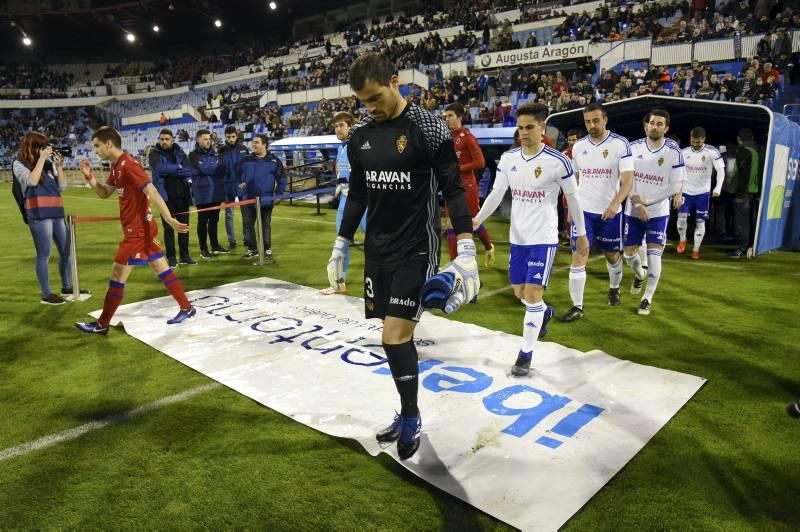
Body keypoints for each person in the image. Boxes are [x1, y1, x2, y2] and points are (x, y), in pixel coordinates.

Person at [325, 53, 479, 460]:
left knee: (393, 335)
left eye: (375, 98)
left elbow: (452, 188)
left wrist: (466, 244)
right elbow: (358, 193)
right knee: (394, 339)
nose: (370, 108)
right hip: (378, 250)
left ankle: (411, 417)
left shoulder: (429, 127)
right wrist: (342, 242)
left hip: (417, 248)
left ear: (395, 81)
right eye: (363, 102)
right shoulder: (360, 135)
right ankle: (407, 410)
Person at [473, 103, 588, 375]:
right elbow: (496, 193)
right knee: (521, 293)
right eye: (520, 128)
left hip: (543, 238)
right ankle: (543, 312)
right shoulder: (509, 158)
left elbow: (573, 198)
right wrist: (478, 218)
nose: (524, 133)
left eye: (529, 128)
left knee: (533, 294)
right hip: (518, 238)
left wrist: (581, 233)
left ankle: (525, 354)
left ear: (542, 128)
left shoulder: (559, 161)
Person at [75, 126, 196, 335]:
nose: (95, 151)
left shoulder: (129, 165)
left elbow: (153, 191)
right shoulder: (116, 166)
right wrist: (90, 178)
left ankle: (102, 324)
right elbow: (105, 193)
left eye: (97, 146)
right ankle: (187, 307)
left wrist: (169, 219)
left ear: (109, 144)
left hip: (137, 232)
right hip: (142, 229)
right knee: (162, 268)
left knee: (117, 274)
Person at [561, 103, 634, 322]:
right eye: (587, 122)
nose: (591, 125)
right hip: (584, 212)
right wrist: (571, 207)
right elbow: (574, 179)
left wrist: (615, 204)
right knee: (578, 255)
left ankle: (614, 287)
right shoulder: (579, 147)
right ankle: (577, 307)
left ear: (605, 120)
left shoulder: (621, 144)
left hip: (610, 212)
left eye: (595, 121)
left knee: (612, 255)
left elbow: (628, 179)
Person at [623, 110, 685, 316]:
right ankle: (639, 274)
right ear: (646, 126)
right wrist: (639, 205)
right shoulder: (633, 148)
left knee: (654, 254)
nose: (655, 127)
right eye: (652, 123)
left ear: (666, 128)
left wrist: (647, 202)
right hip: (633, 209)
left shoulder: (673, 151)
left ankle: (647, 298)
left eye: (660, 124)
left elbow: (674, 186)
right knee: (628, 254)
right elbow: (626, 179)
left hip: (658, 212)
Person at [12, 132, 82, 304]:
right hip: (38, 213)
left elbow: (62, 187)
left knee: (66, 251)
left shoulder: (49, 163)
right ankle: (46, 293)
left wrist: (58, 167)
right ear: (32, 146)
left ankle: (67, 286)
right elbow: (32, 181)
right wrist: (42, 159)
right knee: (44, 254)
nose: (46, 149)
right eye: (42, 146)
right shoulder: (19, 163)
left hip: (56, 210)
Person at [441, 102, 495, 265]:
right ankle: (453, 264)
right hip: (452, 186)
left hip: (467, 187)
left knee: (470, 223)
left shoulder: (468, 138)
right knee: (450, 223)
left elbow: (480, 162)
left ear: (459, 117)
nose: (447, 119)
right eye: (446, 116)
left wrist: (459, 168)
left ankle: (488, 247)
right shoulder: (446, 136)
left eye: (450, 116)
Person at [321, 111, 366, 295]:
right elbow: (342, 172)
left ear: (350, 126)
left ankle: (385, 281)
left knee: (376, 242)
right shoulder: (340, 147)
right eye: (336, 126)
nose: (338, 129)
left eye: (342, 125)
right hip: (344, 202)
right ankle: (339, 284)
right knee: (341, 243)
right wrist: (341, 184)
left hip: (363, 202)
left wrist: (355, 186)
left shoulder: (359, 145)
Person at [677, 127, 725, 259]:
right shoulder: (683, 152)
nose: (695, 144)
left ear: (703, 139)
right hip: (685, 191)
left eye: (698, 142)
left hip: (702, 193)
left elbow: (721, 171)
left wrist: (718, 188)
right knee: (681, 218)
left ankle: (696, 249)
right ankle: (682, 240)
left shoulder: (712, 152)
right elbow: (677, 171)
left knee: (700, 222)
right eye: (693, 141)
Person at [149, 129, 194, 267]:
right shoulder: (154, 154)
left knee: (184, 227)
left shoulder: (180, 152)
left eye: (167, 139)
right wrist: (178, 168)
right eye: (162, 139)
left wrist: (171, 169)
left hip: (182, 196)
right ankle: (171, 257)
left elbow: (189, 170)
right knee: (169, 228)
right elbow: (159, 169)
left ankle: (185, 255)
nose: (164, 141)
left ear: (172, 140)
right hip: (165, 198)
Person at [238, 134, 286, 263]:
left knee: (265, 225)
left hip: (266, 199)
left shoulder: (274, 161)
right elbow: (237, 175)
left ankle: (267, 249)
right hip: (248, 198)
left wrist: (278, 194)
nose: (254, 145)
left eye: (257, 142)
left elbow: (281, 178)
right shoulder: (246, 160)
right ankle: (252, 249)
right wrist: (240, 185)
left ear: (264, 145)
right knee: (248, 225)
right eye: (253, 142)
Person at [189, 129, 227, 259]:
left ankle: (215, 245)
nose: (208, 141)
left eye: (209, 139)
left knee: (214, 220)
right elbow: (199, 170)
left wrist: (209, 168)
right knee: (202, 221)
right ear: (198, 140)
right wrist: (213, 168)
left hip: (216, 192)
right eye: (205, 139)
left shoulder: (215, 154)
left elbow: (222, 168)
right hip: (202, 193)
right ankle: (203, 249)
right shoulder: (193, 155)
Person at [726, 128, 761, 258]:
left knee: (742, 223)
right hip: (752, 191)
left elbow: (743, 174)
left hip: (744, 193)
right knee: (749, 221)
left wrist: (739, 194)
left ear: (739, 139)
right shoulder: (755, 151)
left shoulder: (743, 151)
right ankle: (747, 246)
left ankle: (741, 249)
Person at [219, 126, 249, 252]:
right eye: (228, 137)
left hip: (242, 186)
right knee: (229, 215)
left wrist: (245, 181)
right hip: (227, 186)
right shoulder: (221, 150)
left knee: (246, 214)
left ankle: (247, 239)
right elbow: (219, 169)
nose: (231, 139)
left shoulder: (243, 149)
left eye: (233, 137)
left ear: (236, 136)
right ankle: (232, 241)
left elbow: (248, 167)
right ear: (225, 136)